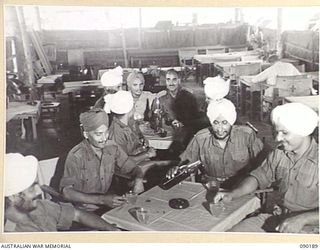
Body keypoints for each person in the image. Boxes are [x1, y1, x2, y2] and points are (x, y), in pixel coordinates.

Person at [214, 103, 319, 233]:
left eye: (284, 133)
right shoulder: (279, 153)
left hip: (311, 227)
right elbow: (258, 177)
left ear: (304, 131)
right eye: (276, 132)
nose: (277, 138)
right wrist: (234, 193)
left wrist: (303, 219)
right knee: (231, 237)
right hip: (279, 218)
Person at [4, 153, 119, 232]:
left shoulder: (41, 206)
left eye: (36, 184)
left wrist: (109, 228)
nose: (39, 191)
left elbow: (78, 215)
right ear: (13, 196)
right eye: (31, 188)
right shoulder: (10, 234)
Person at [60, 108, 145, 213]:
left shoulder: (112, 147)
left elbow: (133, 168)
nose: (104, 138)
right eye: (98, 134)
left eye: (106, 133)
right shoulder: (76, 155)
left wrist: (139, 179)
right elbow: (67, 192)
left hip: (105, 206)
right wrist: (102, 200)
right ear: (86, 134)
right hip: (82, 211)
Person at [168, 98, 265, 189]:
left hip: (240, 186)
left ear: (231, 122)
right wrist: (177, 169)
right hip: (210, 186)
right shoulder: (201, 138)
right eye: (215, 123)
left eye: (224, 123)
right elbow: (187, 161)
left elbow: (262, 164)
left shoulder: (246, 135)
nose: (220, 129)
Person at [151, 69, 208, 152]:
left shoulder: (189, 97)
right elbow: (153, 120)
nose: (171, 83)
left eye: (174, 79)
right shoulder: (160, 98)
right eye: (168, 80)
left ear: (179, 81)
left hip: (186, 136)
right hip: (167, 137)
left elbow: (198, 118)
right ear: (165, 81)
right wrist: (167, 123)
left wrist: (184, 123)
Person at [108, 90, 157, 163]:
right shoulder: (117, 132)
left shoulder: (129, 123)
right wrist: (147, 154)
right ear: (130, 109)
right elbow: (122, 162)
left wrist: (143, 146)